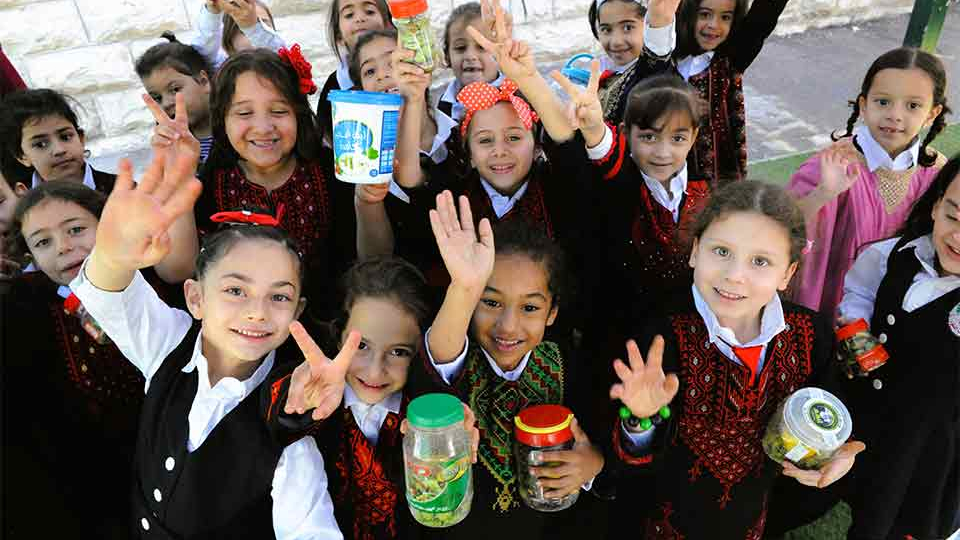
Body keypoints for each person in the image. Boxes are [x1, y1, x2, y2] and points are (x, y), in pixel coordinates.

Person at [69, 103, 352, 538]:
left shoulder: (290, 427)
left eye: (279, 296)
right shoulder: (169, 346)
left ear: (298, 310)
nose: (257, 311)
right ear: (196, 298)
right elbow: (111, 296)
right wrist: (112, 252)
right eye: (235, 290)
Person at [608, 181, 864, 538]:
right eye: (722, 251)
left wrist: (834, 455)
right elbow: (630, 462)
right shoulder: (656, 338)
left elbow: (824, 414)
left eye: (760, 261)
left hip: (751, 522)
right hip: (659, 523)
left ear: (787, 274)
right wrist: (640, 417)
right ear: (696, 251)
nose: (735, 275)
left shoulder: (810, 334)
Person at [834, 155, 960, 540]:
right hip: (864, 413)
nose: (958, 237)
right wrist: (856, 335)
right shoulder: (893, 254)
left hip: (923, 447)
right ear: (937, 204)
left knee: (886, 523)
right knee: (830, 486)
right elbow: (858, 293)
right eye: (954, 216)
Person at [788, 47, 950, 319]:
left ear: (933, 113)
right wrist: (823, 193)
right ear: (863, 105)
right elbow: (780, 230)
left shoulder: (937, 173)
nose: (895, 115)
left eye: (912, 106)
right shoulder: (831, 165)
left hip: (901, 318)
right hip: (833, 314)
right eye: (883, 102)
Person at [674, 0, 789, 185]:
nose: (714, 25)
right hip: (661, 178)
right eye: (704, 14)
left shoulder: (731, 58)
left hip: (717, 181)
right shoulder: (661, 59)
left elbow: (764, 14)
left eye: (725, 17)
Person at [0, 89, 116, 194]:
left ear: (81, 139)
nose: (59, 150)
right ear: (22, 157)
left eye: (66, 137)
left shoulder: (122, 190)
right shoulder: (20, 207)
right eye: (41, 144)